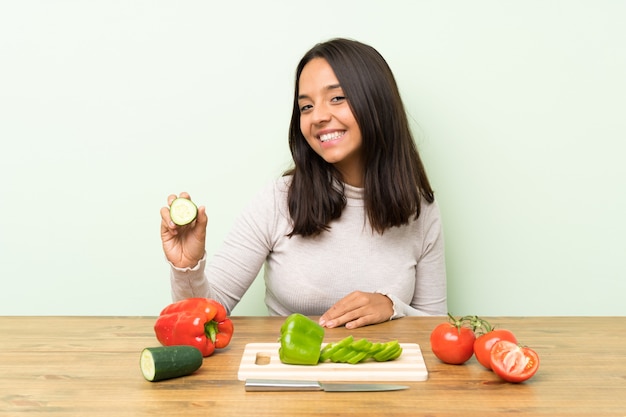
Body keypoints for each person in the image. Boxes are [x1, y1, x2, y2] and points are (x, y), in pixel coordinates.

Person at [160, 38, 447, 329]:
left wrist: (391, 306)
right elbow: (204, 314)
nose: (318, 117)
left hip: (384, 374)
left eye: (337, 98)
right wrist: (187, 267)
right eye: (306, 106)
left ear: (376, 103)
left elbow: (434, 327)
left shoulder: (420, 209)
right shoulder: (276, 201)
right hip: (291, 371)